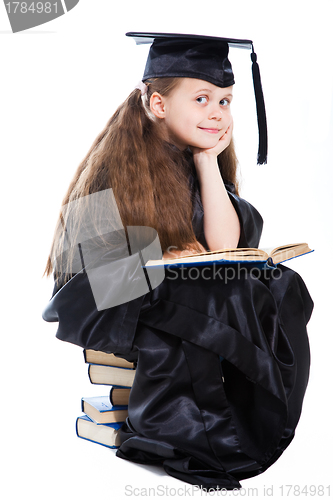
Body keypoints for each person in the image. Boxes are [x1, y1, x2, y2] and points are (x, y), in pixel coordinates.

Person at [42, 33, 313, 490]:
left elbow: (227, 242)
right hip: (109, 300)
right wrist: (158, 258)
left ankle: (251, 422)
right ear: (159, 104)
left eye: (226, 101)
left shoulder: (195, 159)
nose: (217, 113)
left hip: (176, 291)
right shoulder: (113, 168)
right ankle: (191, 434)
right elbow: (96, 277)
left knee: (280, 285)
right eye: (203, 98)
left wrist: (209, 161)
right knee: (209, 295)